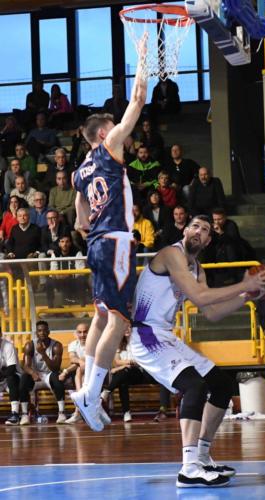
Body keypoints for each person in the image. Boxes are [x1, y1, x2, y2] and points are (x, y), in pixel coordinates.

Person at [129, 215, 265, 487]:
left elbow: (213, 312)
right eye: (195, 226)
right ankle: (188, 468)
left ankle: (203, 456)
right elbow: (200, 297)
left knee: (221, 384)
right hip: (146, 334)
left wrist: (246, 297)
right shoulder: (172, 254)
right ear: (184, 230)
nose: (199, 231)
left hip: (165, 335)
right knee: (194, 386)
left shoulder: (198, 269)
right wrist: (244, 284)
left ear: (208, 240)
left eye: (205, 230)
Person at [71, 33, 148, 432]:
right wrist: (142, 58)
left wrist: (90, 227)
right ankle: (89, 393)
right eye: (113, 126)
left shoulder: (79, 171)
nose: (120, 130)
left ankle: (88, 388)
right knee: (118, 320)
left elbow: (80, 220)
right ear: (104, 133)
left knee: (101, 317)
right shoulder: (110, 147)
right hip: (115, 240)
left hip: (97, 243)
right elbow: (136, 101)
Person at [19, 320, 67, 425]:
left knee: (57, 376)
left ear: (49, 332)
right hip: (35, 375)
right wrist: (32, 373)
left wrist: (43, 353)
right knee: (23, 378)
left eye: (44, 330)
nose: (42, 333)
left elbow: (55, 368)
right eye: (39, 331)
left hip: (50, 375)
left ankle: (62, 413)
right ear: (36, 333)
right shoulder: (30, 345)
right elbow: (25, 366)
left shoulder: (56, 345)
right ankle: (24, 415)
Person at [45, 233, 86, 309]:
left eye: (67, 242)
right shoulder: (55, 253)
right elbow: (52, 272)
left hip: (73, 281)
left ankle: (83, 305)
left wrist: (69, 275)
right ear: (59, 244)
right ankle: (50, 306)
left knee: (81, 279)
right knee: (49, 281)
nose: (65, 244)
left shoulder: (77, 252)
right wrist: (59, 275)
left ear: (70, 243)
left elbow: (81, 271)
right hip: (59, 281)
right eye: (62, 242)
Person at [59, 323, 88, 424]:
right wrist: (80, 362)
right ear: (76, 333)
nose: (82, 335)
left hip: (94, 370)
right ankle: (79, 411)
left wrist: (66, 371)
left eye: (85, 332)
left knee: (79, 371)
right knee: (78, 371)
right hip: (80, 371)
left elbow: (88, 360)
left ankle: (78, 412)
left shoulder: (94, 343)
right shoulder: (73, 344)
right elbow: (72, 359)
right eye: (80, 332)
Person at [0, 328, 23, 425]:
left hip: (14, 377)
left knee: (11, 378)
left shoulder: (8, 346)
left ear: (0, 333)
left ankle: (15, 414)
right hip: (1, 377)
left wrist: (3, 373)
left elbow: (11, 369)